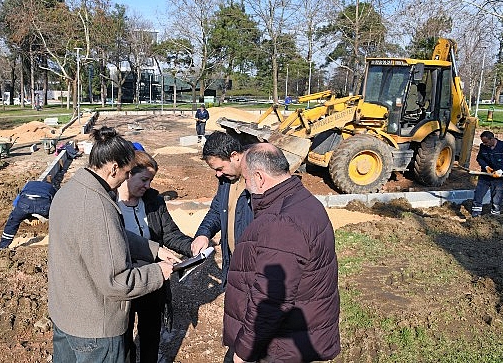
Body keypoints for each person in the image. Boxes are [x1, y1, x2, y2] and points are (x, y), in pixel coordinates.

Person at [48, 126, 180, 363]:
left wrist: (154, 249)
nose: (127, 179)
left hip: (65, 317)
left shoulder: (69, 191)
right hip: (95, 330)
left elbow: (108, 237)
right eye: (128, 172)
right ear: (114, 168)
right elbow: (118, 282)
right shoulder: (99, 206)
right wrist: (158, 272)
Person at [223, 143, 341, 363]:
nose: (246, 187)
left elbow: (271, 298)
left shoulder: (282, 222)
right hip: (295, 337)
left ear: (259, 177)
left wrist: (245, 351)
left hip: (278, 347)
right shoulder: (303, 200)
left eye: (246, 180)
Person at [117, 150, 194, 363]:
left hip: (153, 279)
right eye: (144, 179)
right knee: (122, 338)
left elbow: (170, 233)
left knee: (151, 334)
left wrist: (192, 247)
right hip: (125, 280)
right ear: (127, 174)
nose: (148, 186)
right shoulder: (109, 205)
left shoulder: (153, 201)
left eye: (151, 180)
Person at [190, 131, 254, 285]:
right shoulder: (226, 180)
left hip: (254, 272)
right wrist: (204, 234)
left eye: (220, 168)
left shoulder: (259, 181)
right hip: (233, 266)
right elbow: (217, 211)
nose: (218, 175)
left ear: (234, 156)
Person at [0, 180, 57, 249]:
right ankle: (58, 239)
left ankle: (3, 246)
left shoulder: (29, 184)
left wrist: (27, 217)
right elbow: (56, 204)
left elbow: (16, 203)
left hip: (25, 202)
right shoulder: (50, 187)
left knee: (12, 223)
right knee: (56, 218)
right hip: (43, 204)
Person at [472, 130, 503, 217]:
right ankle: (475, 215)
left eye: (486, 142)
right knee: (478, 194)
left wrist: (501, 170)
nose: (484, 144)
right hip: (485, 175)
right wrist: (486, 167)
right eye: (483, 142)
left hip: (498, 176)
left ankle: (495, 216)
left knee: (497, 196)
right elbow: (479, 158)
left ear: (492, 139)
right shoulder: (483, 146)